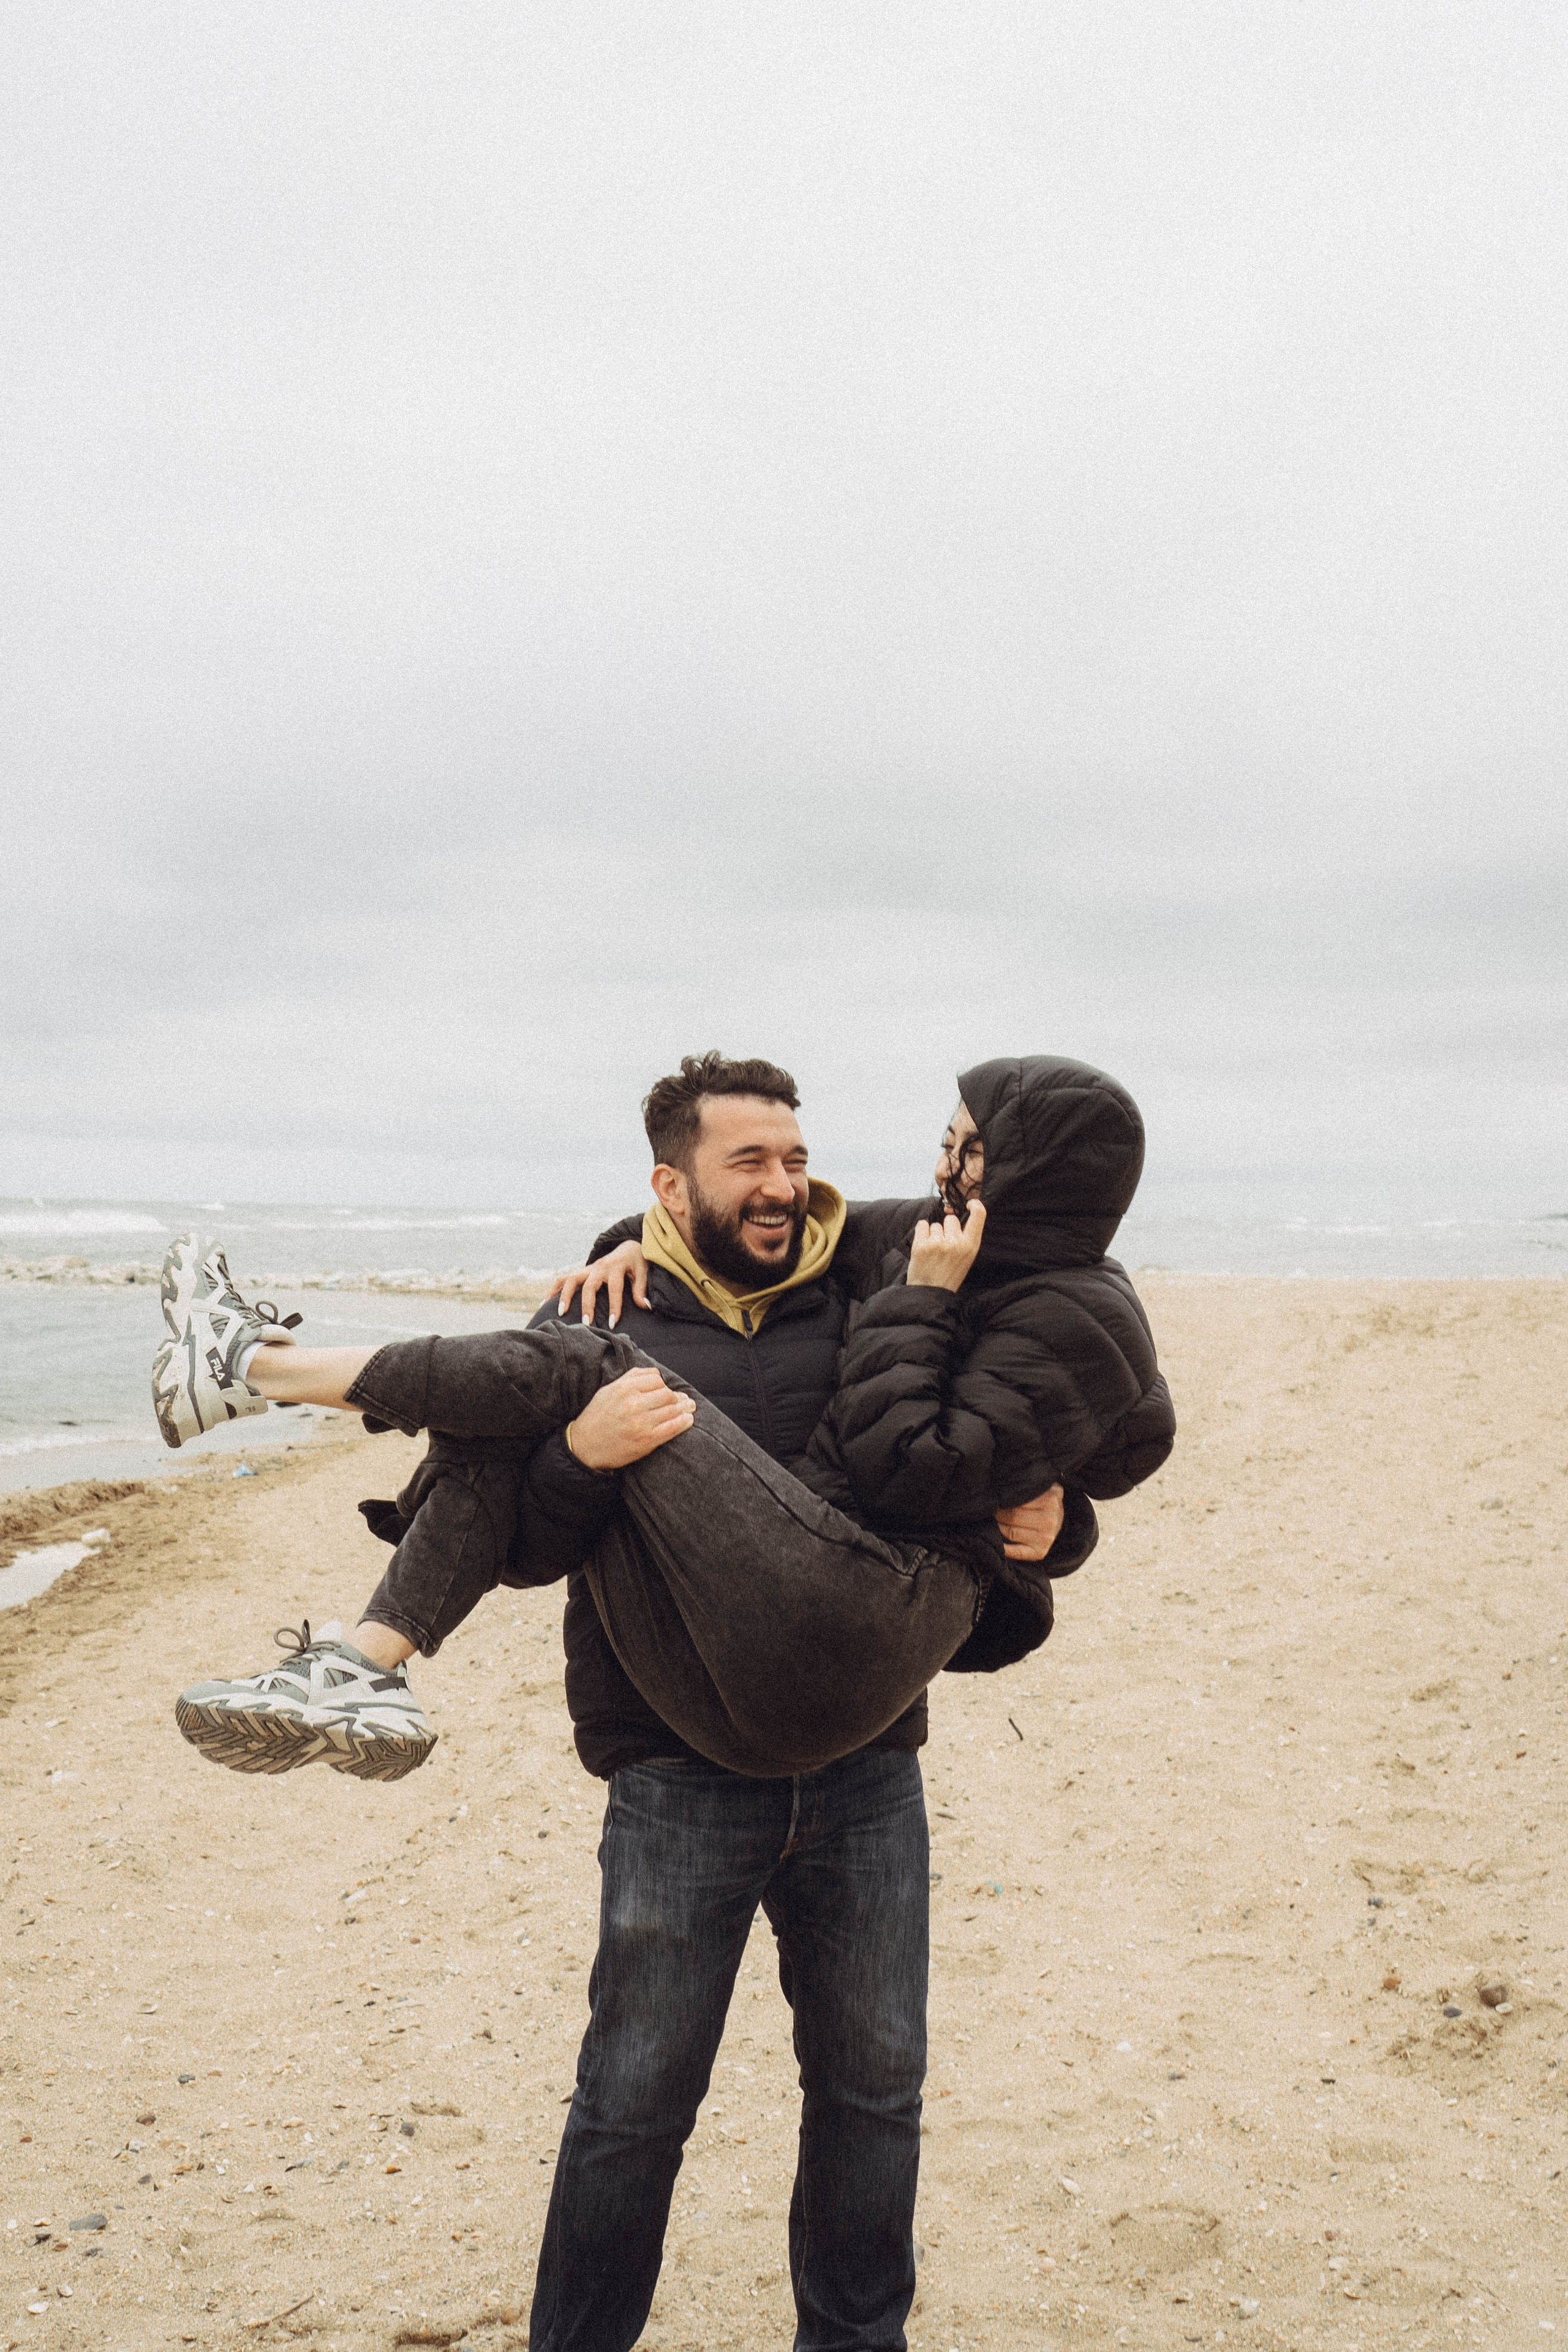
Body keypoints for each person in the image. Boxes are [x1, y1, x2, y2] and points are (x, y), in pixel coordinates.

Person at [158, 1051, 1170, 2352]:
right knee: (631, 2102)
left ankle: (279, 1426)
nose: (782, 1189)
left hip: (862, 1762)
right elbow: (526, 1545)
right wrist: (580, 1453)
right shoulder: (616, 1299)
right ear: (667, 1186)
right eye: (747, 1165)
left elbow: (1015, 1431)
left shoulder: (869, 1269)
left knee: (872, 2090)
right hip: (675, 1761)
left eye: (795, 1162)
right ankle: (349, 1632)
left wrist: (1058, 1522)